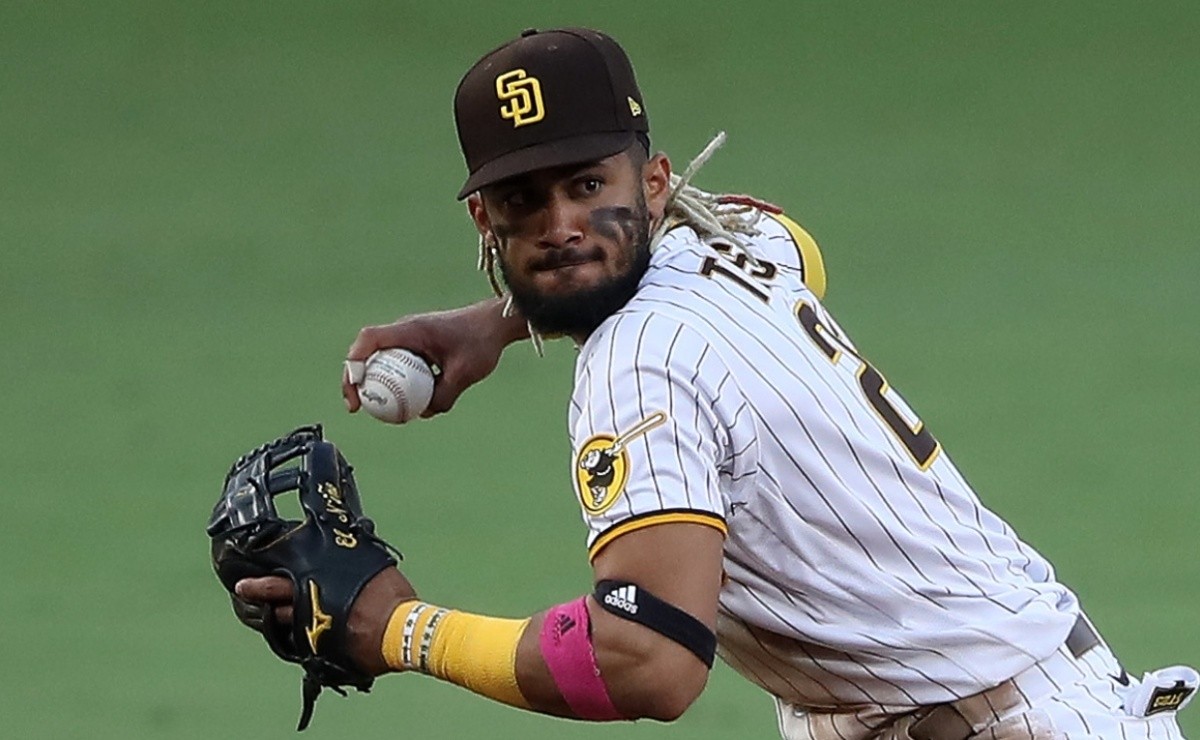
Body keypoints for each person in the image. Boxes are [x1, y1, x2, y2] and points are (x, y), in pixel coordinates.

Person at [238, 27, 1195, 739]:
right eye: (525, 202)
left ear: (653, 181)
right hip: (1014, 689)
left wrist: (398, 630)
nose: (560, 224)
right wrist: (497, 322)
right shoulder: (730, 243)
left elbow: (648, 662)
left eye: (585, 186)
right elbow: (799, 248)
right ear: (485, 220)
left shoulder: (637, 363)